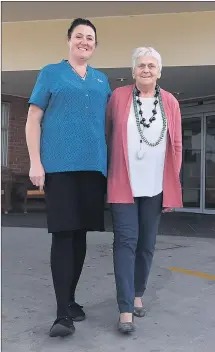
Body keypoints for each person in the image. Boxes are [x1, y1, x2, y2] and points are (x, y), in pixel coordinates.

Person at [25, 18, 111, 338]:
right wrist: (36, 162)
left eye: (90, 38)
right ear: (69, 40)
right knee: (63, 234)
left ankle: (71, 299)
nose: (84, 42)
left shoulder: (102, 81)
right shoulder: (51, 73)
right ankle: (62, 314)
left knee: (79, 235)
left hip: (92, 168)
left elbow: (112, 124)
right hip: (59, 167)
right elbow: (34, 119)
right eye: (79, 36)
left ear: (94, 45)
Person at [106, 47, 182, 334]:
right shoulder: (118, 97)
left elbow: (175, 145)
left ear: (159, 71)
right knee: (125, 243)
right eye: (141, 65)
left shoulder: (171, 102)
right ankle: (126, 309)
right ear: (133, 71)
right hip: (124, 183)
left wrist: (172, 182)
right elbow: (107, 134)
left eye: (151, 65)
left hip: (155, 186)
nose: (146, 69)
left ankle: (138, 293)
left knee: (146, 244)